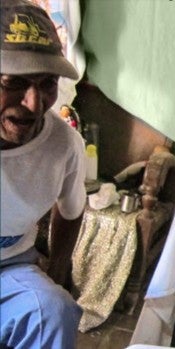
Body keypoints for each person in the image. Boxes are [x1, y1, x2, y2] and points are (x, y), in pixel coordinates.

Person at [1, 0, 86, 348]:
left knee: (52, 310)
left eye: (47, 83)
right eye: (15, 82)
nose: (35, 104)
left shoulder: (63, 145)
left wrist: (56, 274)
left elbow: (70, 212)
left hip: (9, 270)